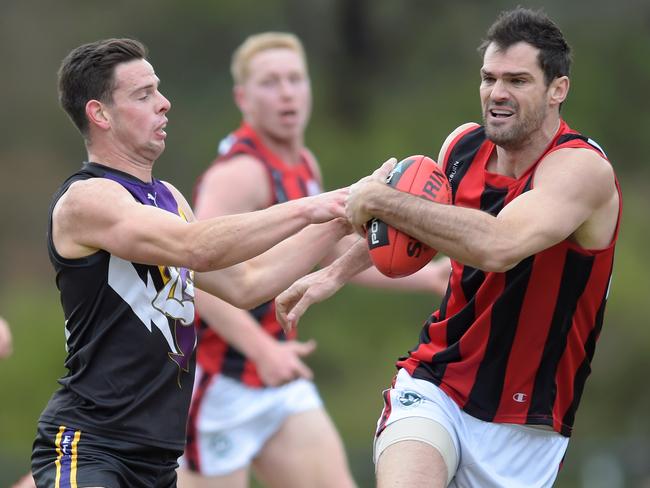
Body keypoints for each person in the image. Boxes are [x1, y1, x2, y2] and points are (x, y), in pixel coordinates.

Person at [276, 7, 621, 488]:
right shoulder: (462, 146)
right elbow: (416, 222)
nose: (497, 93)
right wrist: (332, 274)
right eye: (489, 78)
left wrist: (382, 198)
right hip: (436, 383)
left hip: (527, 425)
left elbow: (498, 245)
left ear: (557, 89)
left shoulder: (581, 171)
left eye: (517, 80)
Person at [30, 37, 354, 488]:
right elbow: (196, 246)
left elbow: (248, 282)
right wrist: (311, 206)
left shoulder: (170, 199)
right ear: (99, 114)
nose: (164, 104)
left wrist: (347, 216)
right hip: (92, 448)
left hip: (158, 460)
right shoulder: (87, 199)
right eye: (143, 95)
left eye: (158, 90)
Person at [177, 32, 450, 488]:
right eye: (269, 82)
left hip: (279, 378)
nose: (286, 92)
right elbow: (193, 277)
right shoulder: (240, 173)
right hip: (220, 381)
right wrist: (261, 349)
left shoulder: (303, 164)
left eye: (294, 79)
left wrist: (423, 279)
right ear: (243, 98)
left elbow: (330, 249)